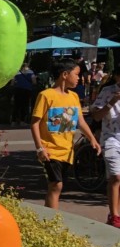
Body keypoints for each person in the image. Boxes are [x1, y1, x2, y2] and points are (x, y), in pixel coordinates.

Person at [32, 59, 100, 210]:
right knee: (56, 185)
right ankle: (53, 222)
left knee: (55, 186)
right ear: (64, 74)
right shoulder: (46, 95)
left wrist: (92, 139)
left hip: (67, 151)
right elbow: (34, 123)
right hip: (50, 151)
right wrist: (39, 148)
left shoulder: (74, 97)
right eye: (76, 74)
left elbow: (80, 121)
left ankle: (46, 217)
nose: (79, 78)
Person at [91, 78, 120, 226]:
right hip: (111, 139)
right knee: (115, 176)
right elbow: (96, 116)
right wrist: (112, 101)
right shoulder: (107, 91)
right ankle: (114, 216)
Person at [11, 61, 36, 125]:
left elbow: (12, 83)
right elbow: (34, 82)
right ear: (27, 66)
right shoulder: (31, 72)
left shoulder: (16, 72)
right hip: (27, 91)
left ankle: (13, 121)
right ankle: (22, 121)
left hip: (18, 90)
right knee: (25, 106)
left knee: (16, 106)